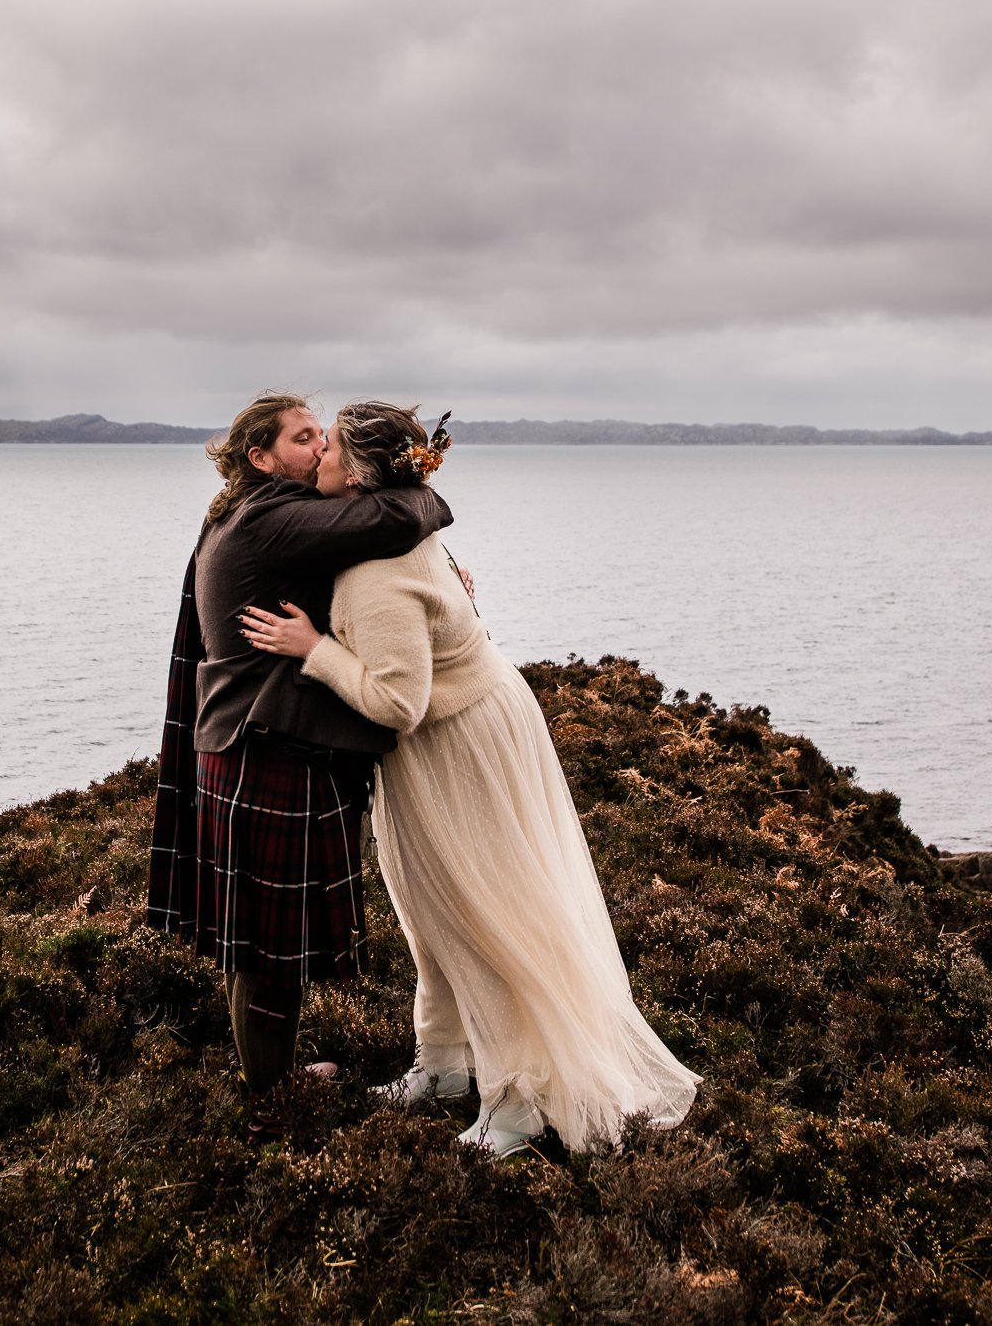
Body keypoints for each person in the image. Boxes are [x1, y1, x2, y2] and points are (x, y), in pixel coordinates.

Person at [240, 402, 699, 1155]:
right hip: (465, 730)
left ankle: (516, 1101)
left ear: (354, 476)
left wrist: (313, 647)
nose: (318, 450)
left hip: (454, 747)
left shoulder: (373, 572)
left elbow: (398, 701)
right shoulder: (394, 529)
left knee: (480, 916)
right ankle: (445, 1062)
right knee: (431, 914)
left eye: (329, 448)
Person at [146, 392, 452, 1140]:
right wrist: (419, 476)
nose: (321, 448)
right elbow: (395, 515)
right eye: (305, 437)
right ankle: (268, 1104)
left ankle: (268, 1078)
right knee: (266, 951)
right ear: (261, 456)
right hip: (266, 748)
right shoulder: (272, 516)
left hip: (248, 743)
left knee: (254, 941)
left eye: (324, 436)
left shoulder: (241, 511)